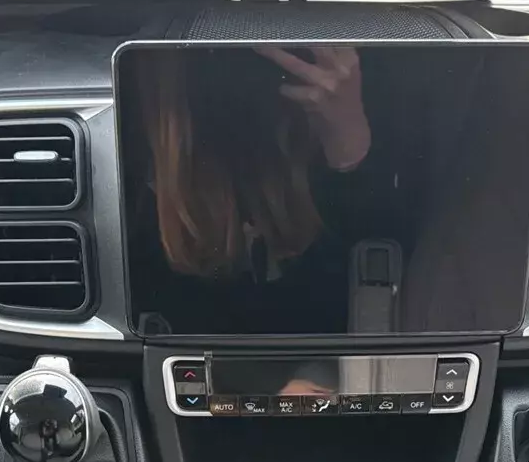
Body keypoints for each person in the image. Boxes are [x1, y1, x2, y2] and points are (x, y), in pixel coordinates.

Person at [127, 44, 412, 335]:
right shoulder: (137, 102)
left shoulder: (351, 75)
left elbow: (384, 280)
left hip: (334, 333)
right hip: (190, 325)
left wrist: (350, 146)